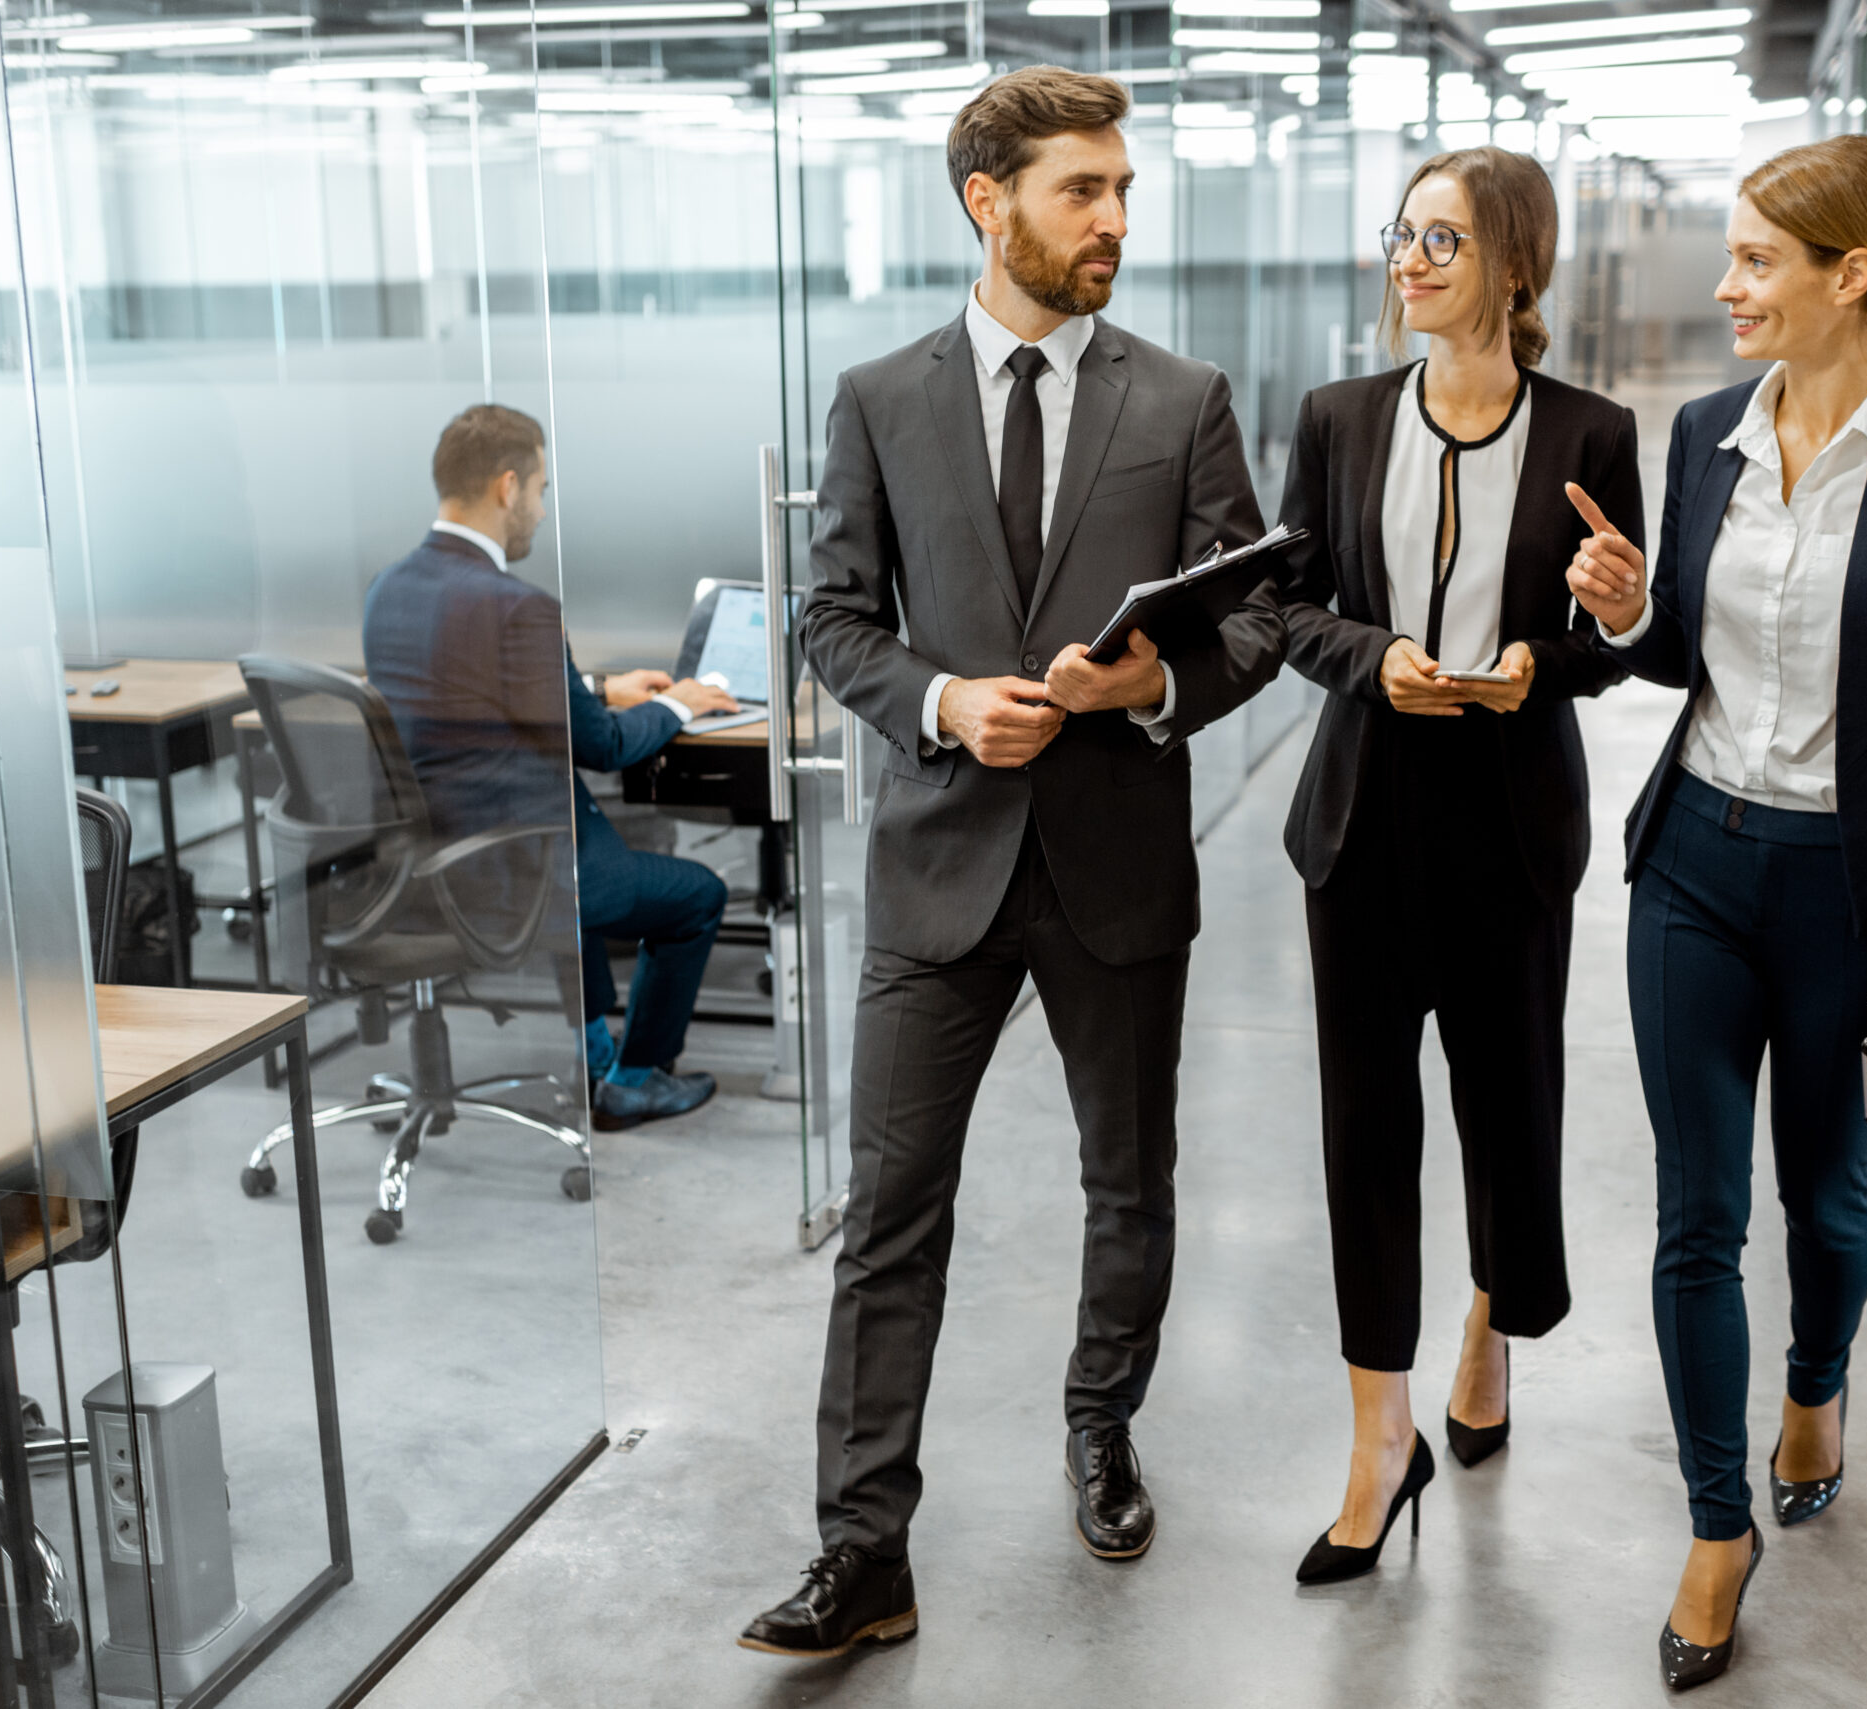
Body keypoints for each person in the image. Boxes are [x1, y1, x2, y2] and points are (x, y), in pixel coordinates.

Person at [736, 66, 1283, 1660]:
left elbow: (1250, 615)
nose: (1116, 218)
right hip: (936, 870)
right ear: (990, 203)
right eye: (1082, 191)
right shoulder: (879, 398)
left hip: (1117, 863)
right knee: (892, 1212)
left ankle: (1102, 1430)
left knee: (1132, 1185)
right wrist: (944, 700)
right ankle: (863, 1550)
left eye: (1123, 189)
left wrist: (1155, 684)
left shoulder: (1182, 397)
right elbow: (830, 618)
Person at [1564, 135, 1867, 1690]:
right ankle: (1718, 1528)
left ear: (1855, 276)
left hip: (1854, 887)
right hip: (1695, 859)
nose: (1725, 286)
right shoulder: (1704, 430)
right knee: (1695, 1210)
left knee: (1825, 1189)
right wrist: (1631, 613)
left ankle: (1817, 1383)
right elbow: (1674, 657)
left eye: (1757, 258)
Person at [1270, 147, 1642, 1586]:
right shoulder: (1340, 418)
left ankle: (1492, 1324)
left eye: (1441, 239)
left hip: (1507, 828)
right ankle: (1380, 1443)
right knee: (1366, 1134)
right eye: (1402, 236)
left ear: (1513, 266)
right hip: (1360, 829)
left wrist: (1560, 648)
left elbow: (1612, 644)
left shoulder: (1593, 433)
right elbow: (1290, 608)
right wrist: (1377, 662)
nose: (1408, 261)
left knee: (1509, 1112)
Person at [361, 404, 740, 1129]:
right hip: (524, 867)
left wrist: (601, 686)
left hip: (432, 860)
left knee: (586, 862)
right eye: (540, 489)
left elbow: (472, 690)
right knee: (697, 895)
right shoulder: (518, 606)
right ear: (508, 487)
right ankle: (632, 1078)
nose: (540, 508)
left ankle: (594, 1056)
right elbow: (600, 745)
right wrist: (682, 704)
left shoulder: (390, 588)